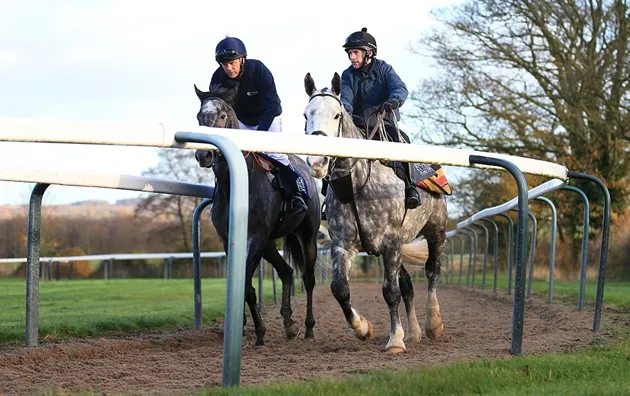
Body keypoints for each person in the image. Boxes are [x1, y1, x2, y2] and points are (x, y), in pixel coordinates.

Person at [210, 36, 308, 215]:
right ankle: (220, 199)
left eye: (232, 63)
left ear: (242, 59)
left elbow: (271, 106)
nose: (228, 68)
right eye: (224, 64)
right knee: (225, 157)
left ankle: (297, 195)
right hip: (240, 121)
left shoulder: (259, 70)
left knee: (275, 155)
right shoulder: (218, 78)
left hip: (268, 118)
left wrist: (258, 136)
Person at [340, 28, 421, 209]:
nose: (352, 57)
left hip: (383, 122)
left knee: (403, 141)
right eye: (350, 53)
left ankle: (410, 188)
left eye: (355, 53)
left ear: (368, 53)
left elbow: (400, 88)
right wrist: (345, 109)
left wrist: (394, 101)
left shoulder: (385, 69)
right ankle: (330, 200)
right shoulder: (347, 75)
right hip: (358, 125)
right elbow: (346, 98)